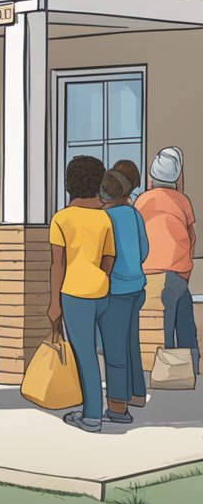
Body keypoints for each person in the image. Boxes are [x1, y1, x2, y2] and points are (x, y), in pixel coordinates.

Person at [47, 156, 116, 432]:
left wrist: (54, 303)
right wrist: (99, 277)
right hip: (102, 292)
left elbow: (57, 264)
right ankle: (103, 408)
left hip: (74, 295)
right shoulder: (103, 218)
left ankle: (91, 416)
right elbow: (109, 258)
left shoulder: (61, 219)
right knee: (102, 352)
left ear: (69, 183)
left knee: (85, 354)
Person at [136, 147, 198, 369]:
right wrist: (186, 270)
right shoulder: (182, 201)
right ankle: (187, 366)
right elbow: (191, 239)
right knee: (183, 317)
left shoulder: (142, 201)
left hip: (147, 273)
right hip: (176, 271)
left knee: (161, 319)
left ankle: (164, 365)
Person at [101, 166, 150, 419]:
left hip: (115, 290)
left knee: (114, 349)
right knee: (131, 343)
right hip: (136, 287)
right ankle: (137, 393)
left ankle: (118, 405)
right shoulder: (134, 214)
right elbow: (144, 251)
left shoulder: (104, 218)